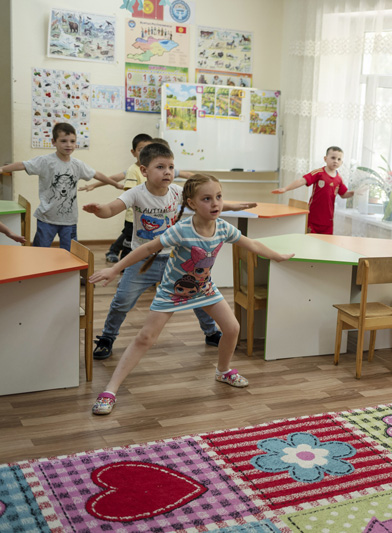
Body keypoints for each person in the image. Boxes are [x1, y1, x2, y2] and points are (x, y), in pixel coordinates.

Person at [88, 173, 294, 415]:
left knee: (232, 328)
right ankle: (110, 390)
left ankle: (223, 371)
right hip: (171, 292)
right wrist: (115, 269)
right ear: (192, 203)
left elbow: (253, 244)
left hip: (204, 288)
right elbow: (147, 248)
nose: (215, 203)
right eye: (207, 198)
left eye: (218, 197)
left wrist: (277, 255)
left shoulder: (224, 228)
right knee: (145, 338)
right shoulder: (182, 230)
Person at [84, 142, 255, 360]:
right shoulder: (136, 193)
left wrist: (231, 205)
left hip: (175, 260)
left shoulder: (177, 192)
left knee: (200, 295)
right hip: (142, 260)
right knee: (122, 301)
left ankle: (211, 332)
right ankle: (108, 337)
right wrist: (99, 210)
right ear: (144, 170)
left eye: (171, 167)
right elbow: (111, 209)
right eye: (160, 167)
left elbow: (206, 200)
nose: (168, 172)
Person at [0, 123, 121, 251]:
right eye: (63, 141)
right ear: (54, 142)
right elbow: (23, 165)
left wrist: (115, 184)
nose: (68, 145)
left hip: (69, 221)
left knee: (71, 254)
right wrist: (2, 169)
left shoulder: (77, 165)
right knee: (39, 251)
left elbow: (96, 174)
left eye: (72, 141)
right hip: (46, 218)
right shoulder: (45, 161)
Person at [81, 133, 153, 263]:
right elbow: (113, 179)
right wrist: (94, 185)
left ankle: (114, 251)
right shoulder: (133, 170)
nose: (145, 153)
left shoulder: (153, 169)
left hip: (146, 215)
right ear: (133, 152)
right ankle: (122, 263)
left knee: (129, 235)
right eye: (141, 149)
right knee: (129, 238)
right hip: (134, 214)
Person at [271, 146, 355, 234]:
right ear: (325, 159)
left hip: (328, 221)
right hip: (313, 218)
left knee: (326, 244)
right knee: (310, 242)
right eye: (333, 158)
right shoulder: (318, 173)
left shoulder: (339, 179)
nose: (335, 161)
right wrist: (285, 188)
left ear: (341, 162)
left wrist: (354, 193)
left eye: (339, 159)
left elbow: (343, 194)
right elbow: (302, 180)